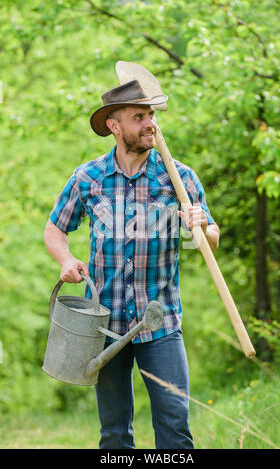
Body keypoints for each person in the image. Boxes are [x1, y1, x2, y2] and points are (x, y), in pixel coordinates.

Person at [43, 79, 220, 449]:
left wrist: (201, 224)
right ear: (114, 125)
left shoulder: (178, 178)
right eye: (139, 116)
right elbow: (54, 230)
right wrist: (66, 259)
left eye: (151, 114)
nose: (150, 123)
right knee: (113, 433)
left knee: (175, 429)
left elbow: (211, 241)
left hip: (162, 321)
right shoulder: (88, 178)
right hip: (104, 327)